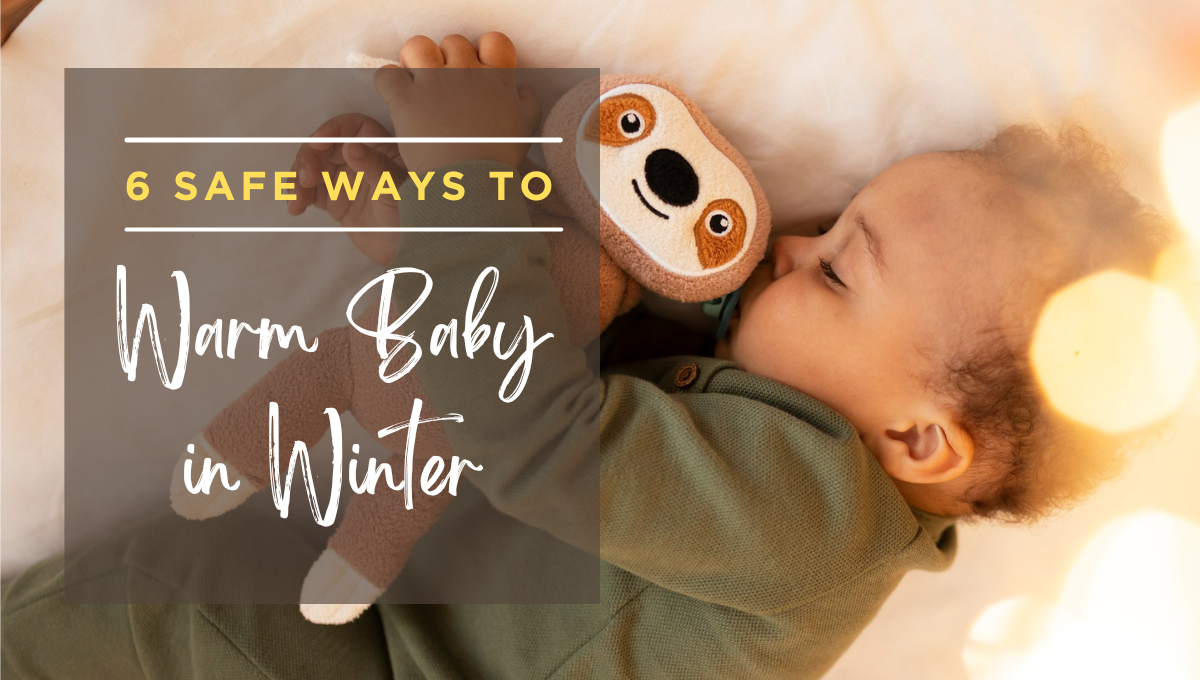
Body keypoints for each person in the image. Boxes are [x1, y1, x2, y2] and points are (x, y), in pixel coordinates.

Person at [1, 31, 1175, 679]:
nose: (790, 242)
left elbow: (528, 425)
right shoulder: (784, 443)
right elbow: (532, 339)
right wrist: (407, 226)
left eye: (836, 267)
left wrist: (465, 173)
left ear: (920, 434)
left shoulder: (810, 519)